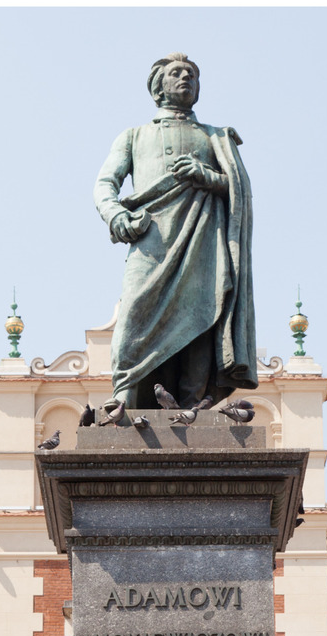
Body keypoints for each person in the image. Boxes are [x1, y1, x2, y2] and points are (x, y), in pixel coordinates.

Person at [93, 53, 257, 413]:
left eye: (192, 75)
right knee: (135, 311)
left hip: (202, 238)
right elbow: (105, 183)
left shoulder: (215, 137)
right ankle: (123, 394)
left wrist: (206, 176)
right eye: (176, 73)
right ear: (158, 87)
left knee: (200, 314)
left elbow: (239, 190)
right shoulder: (135, 135)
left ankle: (191, 402)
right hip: (151, 237)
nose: (186, 78)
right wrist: (116, 214)